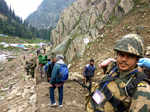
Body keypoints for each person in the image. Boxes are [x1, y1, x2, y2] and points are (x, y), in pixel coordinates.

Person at [86, 34, 150, 112]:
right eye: (121, 54)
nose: (124, 59)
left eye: (130, 56)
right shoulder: (114, 70)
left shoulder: (142, 89)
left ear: (137, 59)